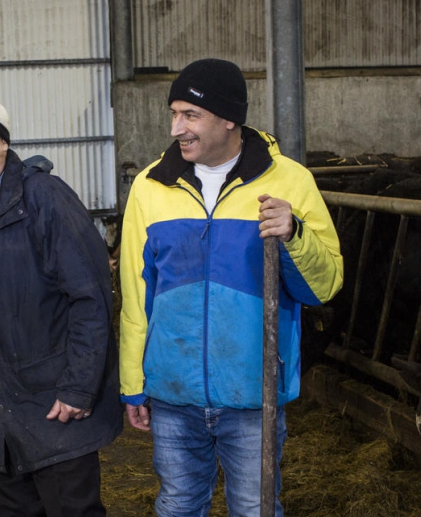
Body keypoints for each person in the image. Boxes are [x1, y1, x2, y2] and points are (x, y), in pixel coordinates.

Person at [118, 58, 344, 517]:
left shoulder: (290, 181)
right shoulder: (149, 186)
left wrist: (293, 235)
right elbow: (135, 295)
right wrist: (132, 383)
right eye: (174, 114)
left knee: (254, 507)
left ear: (228, 119)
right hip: (172, 391)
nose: (177, 127)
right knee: (178, 504)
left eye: (190, 115)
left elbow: (325, 286)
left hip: (252, 389)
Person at [0, 95, 123, 516]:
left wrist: (78, 388)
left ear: (1, 143)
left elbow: (90, 298)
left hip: (57, 408)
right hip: (0, 415)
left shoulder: (44, 200)